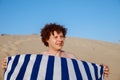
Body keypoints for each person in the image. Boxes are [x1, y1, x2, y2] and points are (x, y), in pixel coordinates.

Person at [1, 23, 109, 77]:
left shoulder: (70, 57)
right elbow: (27, 73)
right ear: (47, 39)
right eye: (56, 37)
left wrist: (99, 69)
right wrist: (9, 65)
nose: (60, 40)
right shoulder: (41, 58)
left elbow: (81, 73)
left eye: (62, 37)